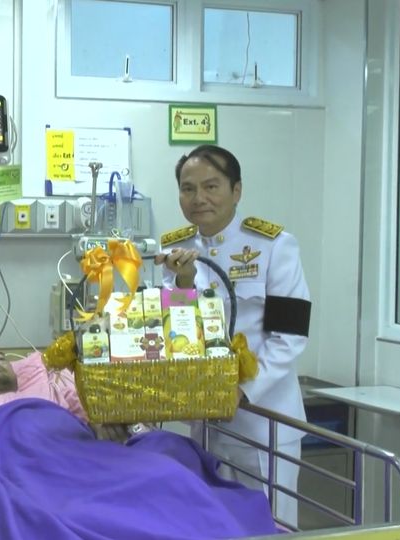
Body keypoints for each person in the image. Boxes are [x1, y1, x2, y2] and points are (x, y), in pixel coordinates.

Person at [154, 144, 311, 526]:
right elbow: (176, 332)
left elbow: (289, 336)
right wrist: (183, 282)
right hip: (204, 423)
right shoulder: (173, 250)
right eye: (188, 188)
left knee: (269, 527)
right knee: (212, 525)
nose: (199, 198)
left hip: (265, 423)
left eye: (211, 186)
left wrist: (242, 390)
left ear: (236, 190)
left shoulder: (274, 246)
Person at [0, 347, 126, 443]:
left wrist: (104, 430)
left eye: (1, 358)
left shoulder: (54, 396)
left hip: (74, 457)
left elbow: (94, 425)